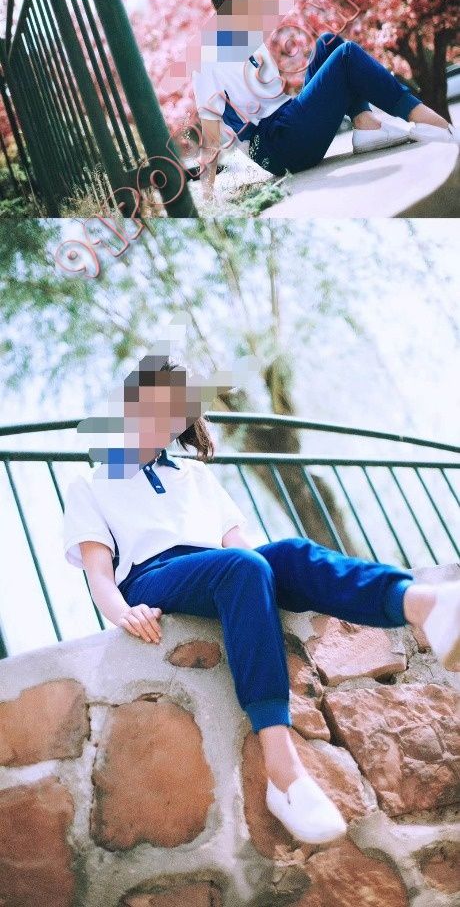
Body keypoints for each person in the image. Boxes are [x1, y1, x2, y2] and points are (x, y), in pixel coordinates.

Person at [63, 358, 460, 845]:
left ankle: (424, 606)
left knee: (290, 553)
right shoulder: (92, 482)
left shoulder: (196, 476)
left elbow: (241, 549)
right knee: (243, 567)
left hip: (224, 567)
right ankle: (283, 771)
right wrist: (123, 613)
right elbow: (100, 575)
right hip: (152, 577)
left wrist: (279, 574)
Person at [193, 0, 460, 200]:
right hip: (276, 145)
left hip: (286, 126)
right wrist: (208, 198)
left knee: (329, 43)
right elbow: (210, 136)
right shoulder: (208, 58)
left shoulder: (249, 38)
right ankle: (431, 121)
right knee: (346, 56)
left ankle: (366, 125)